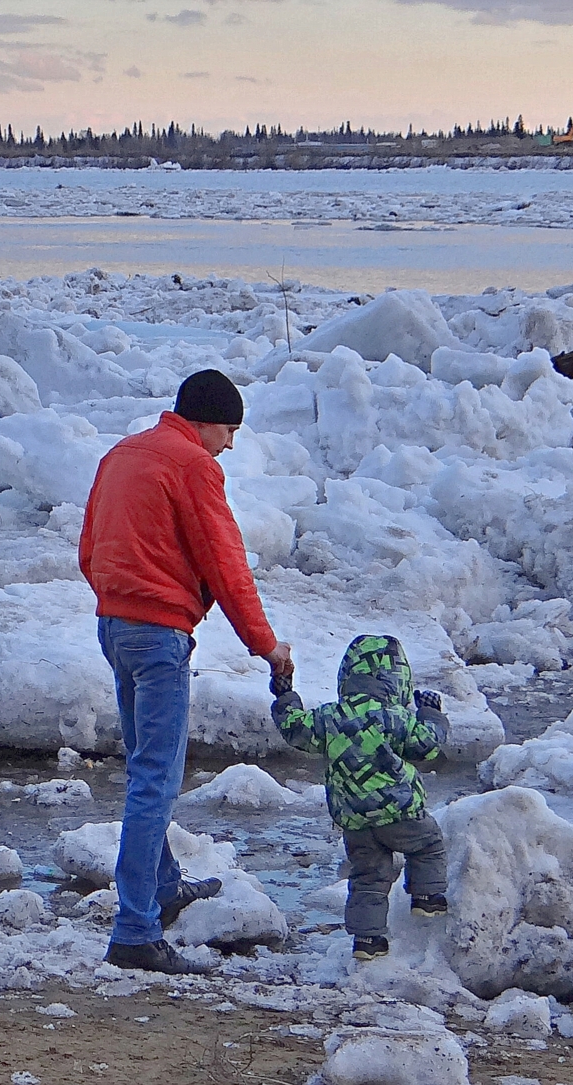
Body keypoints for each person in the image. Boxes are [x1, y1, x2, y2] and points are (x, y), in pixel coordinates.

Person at [79, 368, 293, 975]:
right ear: (207, 422)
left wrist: (123, 602)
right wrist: (267, 647)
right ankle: (134, 932)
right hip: (158, 636)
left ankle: (165, 887)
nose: (230, 444)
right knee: (157, 779)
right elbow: (226, 564)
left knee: (146, 766)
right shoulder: (194, 465)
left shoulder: (122, 453)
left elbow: (89, 549)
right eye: (229, 430)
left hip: (115, 628)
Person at [270, 634, 449, 960]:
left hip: (355, 819)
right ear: (398, 679)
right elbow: (426, 745)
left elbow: (296, 729)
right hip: (399, 812)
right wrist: (431, 714)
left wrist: (286, 696)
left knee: (368, 874)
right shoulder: (395, 718)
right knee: (429, 845)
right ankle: (427, 898)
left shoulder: (330, 717)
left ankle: (368, 941)